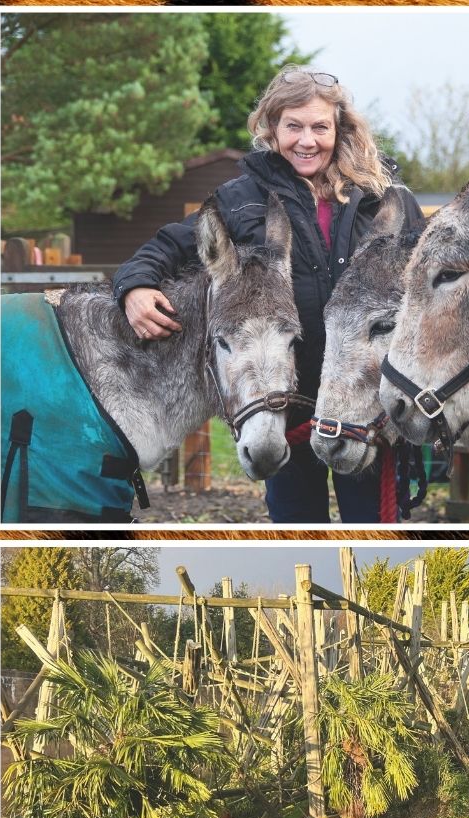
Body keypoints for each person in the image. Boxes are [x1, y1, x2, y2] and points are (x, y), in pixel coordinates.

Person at [113, 68, 422, 523]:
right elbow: (168, 246)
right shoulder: (239, 199)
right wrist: (134, 285)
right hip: (282, 402)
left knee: (373, 527)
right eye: (293, 125)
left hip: (363, 398)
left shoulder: (385, 198)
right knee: (296, 524)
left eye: (320, 127)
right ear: (271, 128)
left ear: (339, 129)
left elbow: (432, 273)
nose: (307, 140)